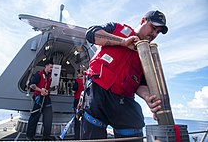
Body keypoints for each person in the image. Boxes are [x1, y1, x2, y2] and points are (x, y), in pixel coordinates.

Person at [80, 10, 168, 141]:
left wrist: (148, 98)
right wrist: (123, 41)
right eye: (153, 28)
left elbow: (141, 84)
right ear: (143, 21)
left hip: (123, 100)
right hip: (97, 93)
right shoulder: (116, 28)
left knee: (136, 123)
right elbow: (92, 34)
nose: (154, 34)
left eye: (158, 32)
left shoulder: (146, 55)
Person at [26, 60, 55, 140]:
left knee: (48, 117)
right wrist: (41, 90)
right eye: (50, 67)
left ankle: (46, 136)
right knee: (35, 117)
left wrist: (51, 89)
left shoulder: (49, 77)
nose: (51, 69)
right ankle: (30, 135)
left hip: (46, 98)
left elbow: (47, 89)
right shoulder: (39, 74)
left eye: (52, 67)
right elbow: (31, 85)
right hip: (39, 98)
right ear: (46, 66)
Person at [72, 69, 84, 139]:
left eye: (77, 74)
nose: (77, 75)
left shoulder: (77, 81)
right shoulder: (87, 81)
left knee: (77, 119)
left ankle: (76, 136)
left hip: (78, 101)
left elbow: (73, 91)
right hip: (85, 102)